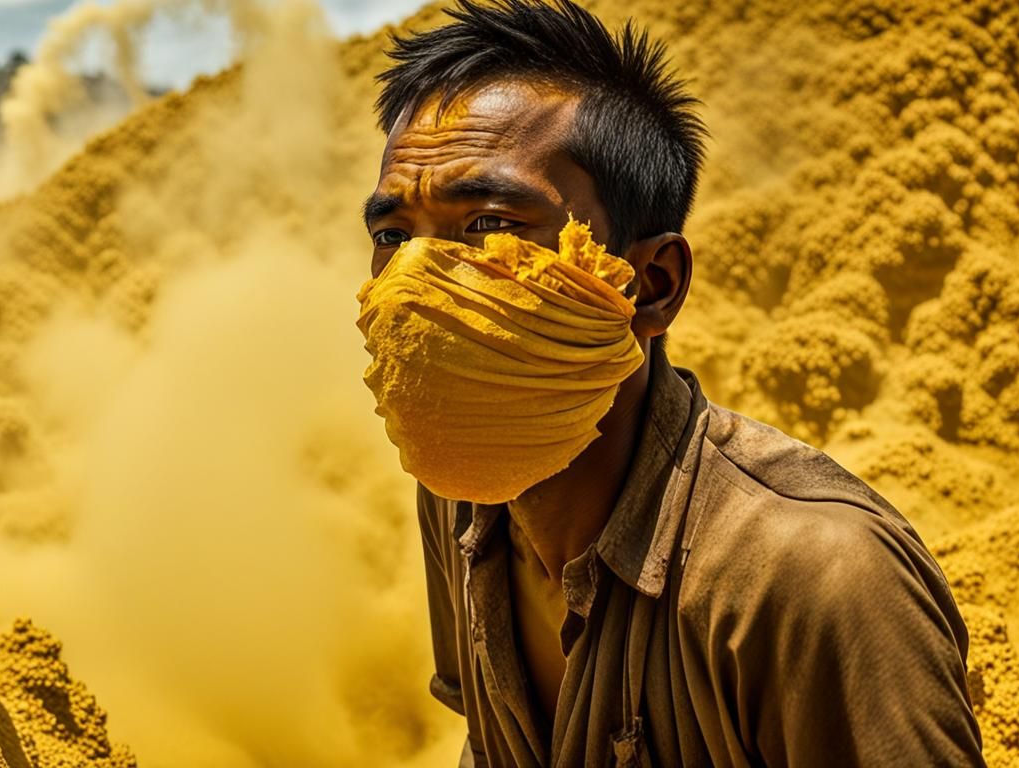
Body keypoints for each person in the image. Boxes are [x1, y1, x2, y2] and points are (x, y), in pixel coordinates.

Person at [355, 1, 985, 766]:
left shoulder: (817, 583)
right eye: (392, 236)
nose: (413, 282)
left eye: (489, 226)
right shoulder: (464, 493)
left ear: (651, 285)